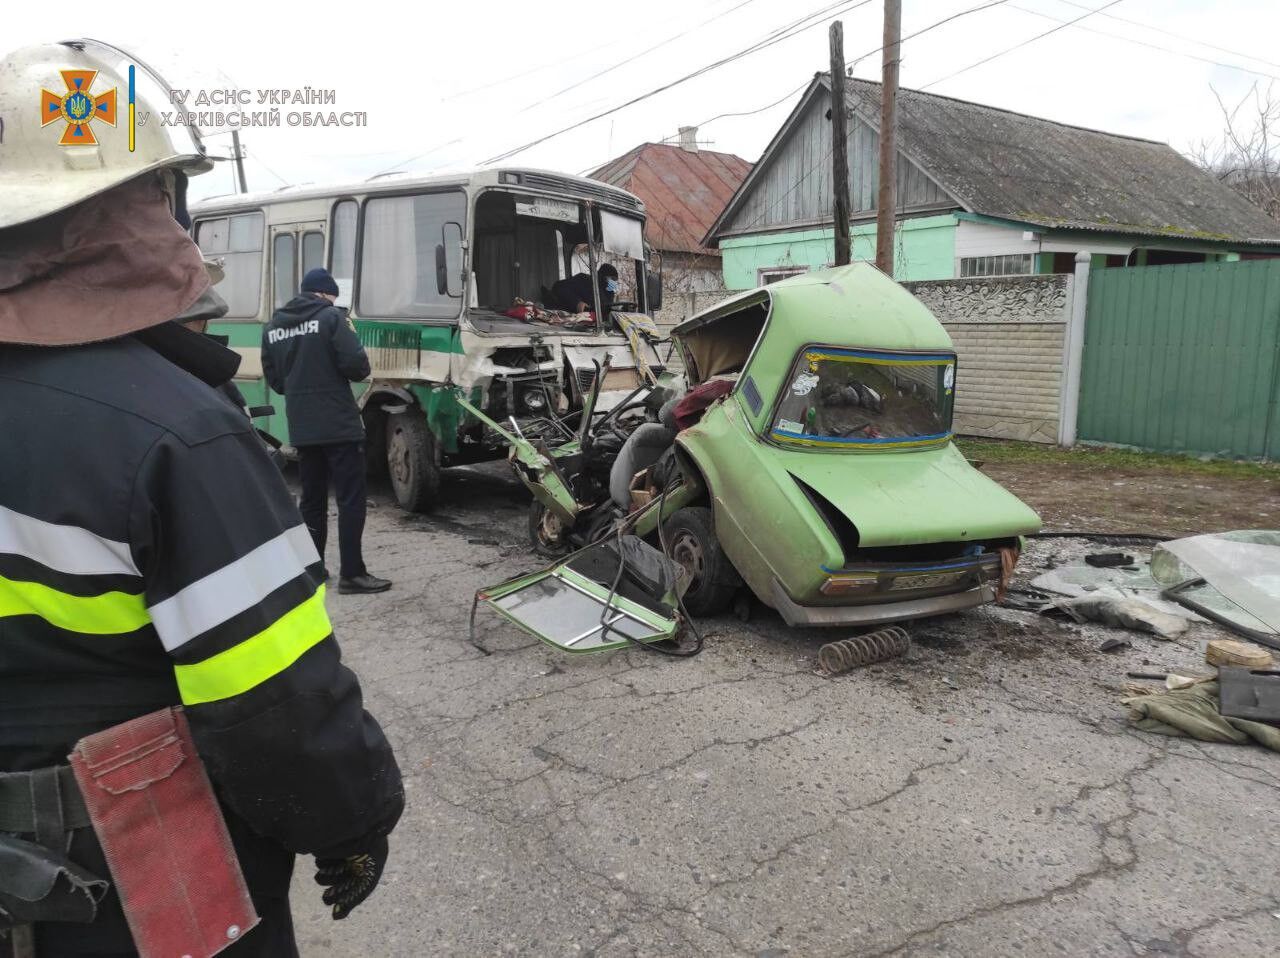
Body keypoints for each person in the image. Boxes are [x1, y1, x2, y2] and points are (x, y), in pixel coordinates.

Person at [0, 40, 403, 958]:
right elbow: (279, 704)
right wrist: (352, 817)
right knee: (337, 518)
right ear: (154, 207)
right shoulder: (174, 433)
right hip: (124, 887)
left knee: (311, 516)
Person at [261, 268, 391, 595]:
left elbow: (276, 381)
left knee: (312, 499)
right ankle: (352, 574)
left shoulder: (274, 326)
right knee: (350, 499)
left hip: (303, 426)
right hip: (339, 424)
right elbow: (358, 367)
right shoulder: (332, 318)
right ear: (324, 294)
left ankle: (314, 569)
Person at [550, 262, 618, 315]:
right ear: (603, 276)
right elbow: (558, 287)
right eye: (612, 279)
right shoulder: (583, 280)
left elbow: (607, 309)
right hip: (572, 321)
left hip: (596, 325)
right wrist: (577, 303)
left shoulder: (609, 292)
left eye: (615, 280)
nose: (614, 282)